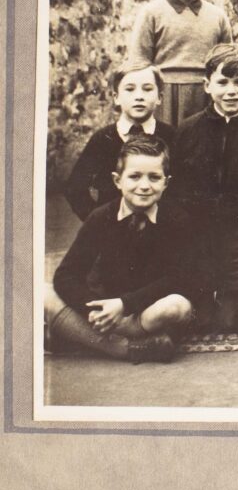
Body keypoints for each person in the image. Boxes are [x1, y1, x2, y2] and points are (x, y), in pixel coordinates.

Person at [45, 135, 195, 363]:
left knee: (177, 306)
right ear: (117, 180)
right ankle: (123, 348)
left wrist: (126, 304)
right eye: (134, 176)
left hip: (146, 313)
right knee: (42, 292)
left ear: (166, 182)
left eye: (154, 177)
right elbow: (66, 275)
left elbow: (181, 277)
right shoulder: (100, 217)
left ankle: (83, 337)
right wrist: (94, 310)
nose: (144, 186)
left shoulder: (176, 219)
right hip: (106, 312)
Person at [171, 44, 238, 331]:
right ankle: (203, 299)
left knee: (229, 323)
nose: (231, 91)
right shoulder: (188, 130)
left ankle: (235, 298)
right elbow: (178, 182)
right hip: (199, 233)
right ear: (207, 85)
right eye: (222, 82)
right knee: (202, 320)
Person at [128, 0, 232, 126]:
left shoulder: (217, 16)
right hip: (163, 98)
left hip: (205, 98)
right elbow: (139, 63)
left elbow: (227, 65)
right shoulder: (151, 13)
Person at [63, 62, 175, 222]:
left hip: (160, 230)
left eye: (147, 89)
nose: (139, 96)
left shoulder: (171, 136)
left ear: (159, 98)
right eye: (129, 89)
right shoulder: (102, 139)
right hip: (113, 233)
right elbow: (74, 187)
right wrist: (98, 220)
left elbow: (183, 188)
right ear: (116, 97)